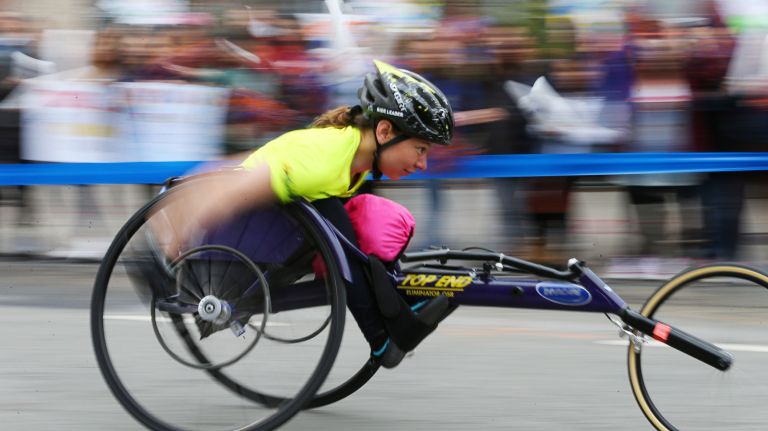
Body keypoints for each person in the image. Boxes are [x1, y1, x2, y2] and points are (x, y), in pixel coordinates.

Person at [159, 59, 454, 369]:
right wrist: (177, 235)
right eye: (421, 149)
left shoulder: (349, 157)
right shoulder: (326, 160)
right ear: (384, 130)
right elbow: (235, 184)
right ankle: (383, 335)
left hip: (269, 235)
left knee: (370, 222)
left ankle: (395, 316)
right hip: (234, 243)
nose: (423, 164)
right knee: (342, 233)